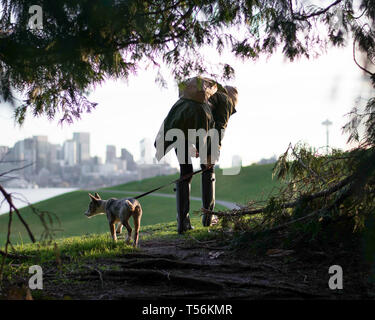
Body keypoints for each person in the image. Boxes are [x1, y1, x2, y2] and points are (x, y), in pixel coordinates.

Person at [154, 83, 238, 234]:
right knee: (208, 168)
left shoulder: (203, 96)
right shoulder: (226, 99)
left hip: (177, 117)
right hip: (198, 118)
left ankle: (183, 223)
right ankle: (208, 217)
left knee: (186, 171)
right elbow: (219, 128)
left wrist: (197, 147)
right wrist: (213, 152)